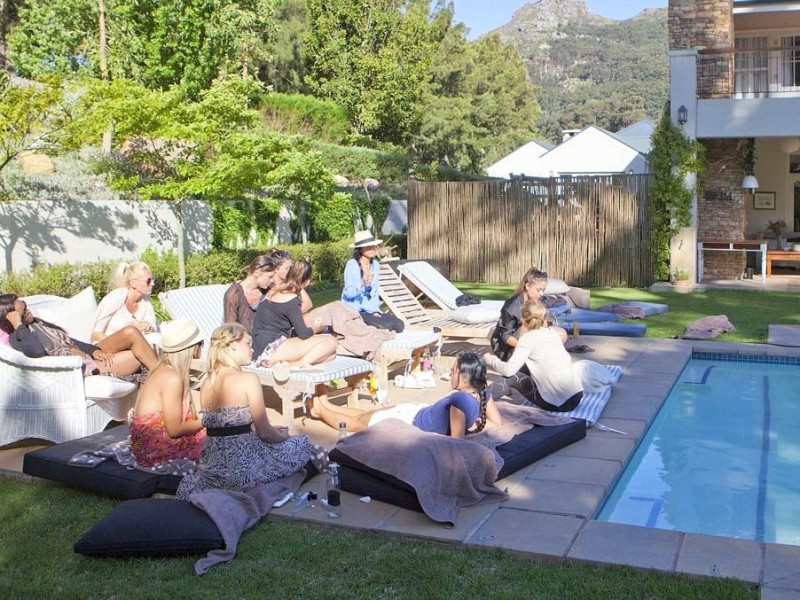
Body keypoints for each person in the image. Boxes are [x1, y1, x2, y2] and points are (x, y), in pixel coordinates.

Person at [176, 323, 326, 498]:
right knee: (304, 445)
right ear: (232, 345)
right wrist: (283, 436)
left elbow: (227, 429)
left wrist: (262, 432)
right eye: (248, 343)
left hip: (214, 468)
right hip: (242, 469)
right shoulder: (247, 379)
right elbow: (266, 435)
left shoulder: (207, 382)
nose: (252, 349)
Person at [307, 352, 501, 437]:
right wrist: (474, 426)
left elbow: (455, 442)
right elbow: (497, 424)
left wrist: (468, 428)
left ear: (463, 375)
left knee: (358, 423)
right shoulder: (482, 392)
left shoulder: (460, 398)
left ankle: (320, 409)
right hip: (413, 412)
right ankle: (324, 406)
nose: (450, 374)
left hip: (408, 420)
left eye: (453, 371)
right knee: (366, 415)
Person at [0, 293, 158, 378]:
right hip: (80, 366)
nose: (30, 312)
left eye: (26, 307)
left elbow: (69, 341)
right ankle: (166, 380)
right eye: (24, 312)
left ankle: (165, 377)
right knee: (139, 354)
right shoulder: (18, 337)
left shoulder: (38, 323)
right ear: (12, 318)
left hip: (85, 353)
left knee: (131, 332)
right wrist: (19, 325)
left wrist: (93, 350)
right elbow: (36, 352)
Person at [130, 319, 206, 470]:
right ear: (192, 348)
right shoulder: (172, 378)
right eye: (201, 343)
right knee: (222, 441)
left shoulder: (161, 369)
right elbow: (175, 429)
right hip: (157, 451)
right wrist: (207, 420)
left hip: (145, 447)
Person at [484, 300, 583, 412]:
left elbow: (508, 371)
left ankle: (479, 404)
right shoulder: (551, 333)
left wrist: (491, 360)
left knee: (511, 377)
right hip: (577, 395)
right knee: (522, 367)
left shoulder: (527, 339)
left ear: (523, 319)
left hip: (560, 404)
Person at [251, 258, 337, 366]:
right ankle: (296, 366)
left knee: (330, 356)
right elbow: (304, 334)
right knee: (331, 342)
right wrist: (315, 328)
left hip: (259, 347)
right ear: (307, 282)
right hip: (271, 348)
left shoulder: (273, 290)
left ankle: (287, 364)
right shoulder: (291, 300)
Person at [490, 267, 567, 361]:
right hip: (506, 347)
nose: (541, 293)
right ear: (527, 286)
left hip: (527, 338)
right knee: (527, 323)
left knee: (561, 335)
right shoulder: (512, 306)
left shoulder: (539, 300)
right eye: (538, 290)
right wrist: (528, 349)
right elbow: (506, 337)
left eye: (543, 290)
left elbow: (544, 322)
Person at [341, 230, 404, 332]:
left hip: (371, 309)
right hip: (355, 309)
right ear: (360, 249)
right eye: (368, 246)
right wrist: (362, 283)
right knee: (385, 326)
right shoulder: (352, 265)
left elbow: (374, 292)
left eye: (373, 246)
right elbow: (348, 293)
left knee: (399, 325)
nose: (372, 249)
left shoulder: (375, 264)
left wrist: (375, 310)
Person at [91, 261, 158, 342]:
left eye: (153, 279)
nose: (153, 284)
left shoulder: (145, 300)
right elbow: (95, 333)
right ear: (133, 283)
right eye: (148, 281)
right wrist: (118, 346)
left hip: (133, 347)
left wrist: (146, 326)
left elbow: (152, 325)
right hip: (107, 346)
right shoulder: (116, 298)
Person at [223, 254, 279, 333]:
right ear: (257, 273)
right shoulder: (234, 293)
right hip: (242, 340)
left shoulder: (268, 289)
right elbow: (230, 327)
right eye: (269, 277)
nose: (272, 280)